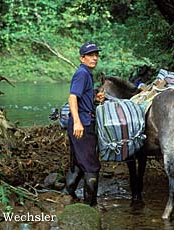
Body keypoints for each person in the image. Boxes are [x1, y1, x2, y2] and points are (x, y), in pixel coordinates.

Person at [65, 41, 105, 206]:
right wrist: (77, 123)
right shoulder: (81, 73)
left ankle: (69, 194)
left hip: (84, 120)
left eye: (96, 55)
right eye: (90, 55)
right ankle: (91, 206)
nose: (94, 58)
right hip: (82, 123)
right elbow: (72, 97)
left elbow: (82, 97)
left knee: (81, 162)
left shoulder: (87, 73)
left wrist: (94, 99)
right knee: (91, 166)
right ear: (82, 58)